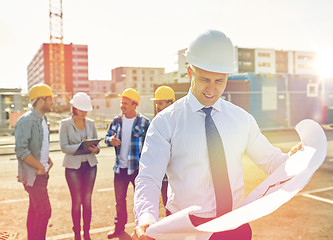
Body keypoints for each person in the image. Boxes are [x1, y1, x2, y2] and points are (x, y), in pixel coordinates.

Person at [132, 30, 302, 240]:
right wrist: (146, 216)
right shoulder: (165, 122)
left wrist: (295, 161)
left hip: (235, 224)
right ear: (189, 72)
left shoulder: (242, 119)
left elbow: (271, 161)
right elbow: (149, 176)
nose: (211, 89)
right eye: (204, 79)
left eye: (219, 81)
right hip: (186, 229)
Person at [105, 88, 150, 239]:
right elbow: (106, 137)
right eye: (121, 102)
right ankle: (119, 229)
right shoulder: (116, 121)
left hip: (137, 169)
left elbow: (150, 146)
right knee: (119, 201)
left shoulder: (144, 122)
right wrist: (111, 140)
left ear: (134, 104)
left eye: (125, 103)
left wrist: (142, 164)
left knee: (141, 201)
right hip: (120, 169)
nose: (122, 105)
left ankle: (142, 229)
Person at [15, 83, 54, 240]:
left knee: (35, 211)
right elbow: (21, 150)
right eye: (50, 99)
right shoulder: (27, 120)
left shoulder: (43, 120)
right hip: (34, 175)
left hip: (41, 173)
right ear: (40, 100)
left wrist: (47, 160)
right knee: (44, 211)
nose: (52, 102)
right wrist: (39, 166)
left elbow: (38, 146)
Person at [59, 92, 100, 240]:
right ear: (74, 108)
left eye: (86, 110)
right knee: (76, 201)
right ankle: (77, 234)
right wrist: (81, 147)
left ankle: (87, 233)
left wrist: (96, 149)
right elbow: (64, 147)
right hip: (72, 169)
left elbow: (97, 145)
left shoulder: (91, 123)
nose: (84, 113)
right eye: (81, 109)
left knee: (87, 201)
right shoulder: (65, 124)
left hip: (90, 166)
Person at [151, 86, 175, 216]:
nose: (157, 107)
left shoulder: (179, 121)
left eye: (160, 103)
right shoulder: (156, 122)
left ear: (170, 102)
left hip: (177, 174)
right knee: (167, 205)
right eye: (156, 104)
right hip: (163, 175)